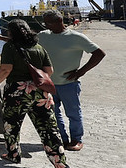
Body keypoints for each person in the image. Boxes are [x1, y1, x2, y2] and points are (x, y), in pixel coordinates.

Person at [0, 19, 71, 168]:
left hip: (17, 92)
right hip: (40, 92)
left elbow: (5, 70)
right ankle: (61, 163)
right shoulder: (38, 48)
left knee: (12, 125)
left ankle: (13, 155)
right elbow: (49, 71)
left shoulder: (9, 47)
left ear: (12, 33)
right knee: (48, 128)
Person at [38, 10, 106, 151]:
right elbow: (25, 41)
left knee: (73, 113)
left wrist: (81, 71)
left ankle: (76, 140)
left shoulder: (76, 37)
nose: (46, 26)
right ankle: (61, 139)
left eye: (48, 23)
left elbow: (99, 54)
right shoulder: (43, 36)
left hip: (69, 85)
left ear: (59, 21)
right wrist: (2, 38)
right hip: (49, 84)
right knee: (53, 114)